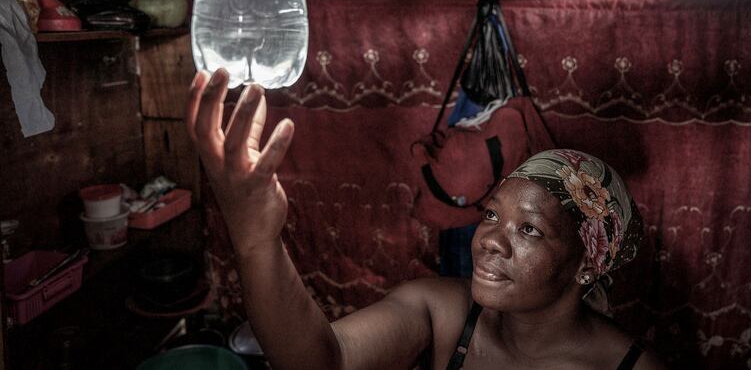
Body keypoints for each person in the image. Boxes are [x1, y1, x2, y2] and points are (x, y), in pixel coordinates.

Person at [186, 68, 666, 370]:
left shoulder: (630, 365)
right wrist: (257, 238)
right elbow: (320, 360)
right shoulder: (443, 312)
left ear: (587, 263)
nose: (489, 242)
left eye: (529, 229)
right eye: (492, 214)